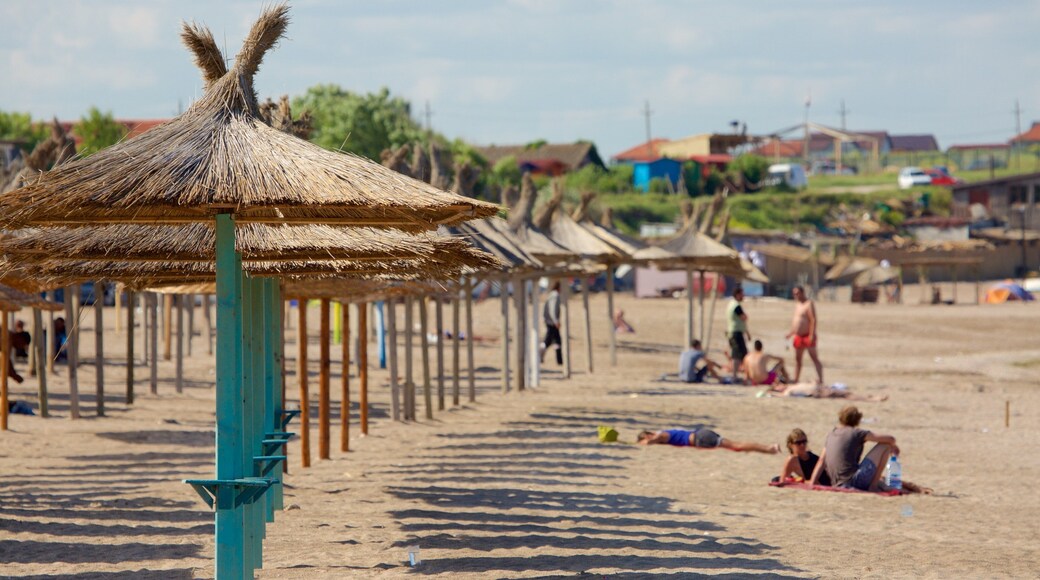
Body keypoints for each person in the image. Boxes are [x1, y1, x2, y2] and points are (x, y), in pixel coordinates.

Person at [811, 405, 897, 491]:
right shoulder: (857, 433)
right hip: (853, 481)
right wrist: (893, 446)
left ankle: (879, 484)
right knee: (885, 445)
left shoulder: (832, 434)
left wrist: (813, 482)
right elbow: (891, 439)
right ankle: (873, 485)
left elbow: (821, 461)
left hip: (836, 483)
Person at [637, 427, 779, 454]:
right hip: (701, 436)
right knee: (736, 447)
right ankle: (767, 449)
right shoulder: (663, 433)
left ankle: (769, 448)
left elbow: (655, 439)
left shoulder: (662, 434)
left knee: (737, 446)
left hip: (702, 438)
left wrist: (646, 442)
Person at [786, 285, 824, 385]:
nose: (796, 295)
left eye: (797, 293)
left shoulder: (809, 304)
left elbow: (813, 319)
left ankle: (821, 379)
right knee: (798, 359)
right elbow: (796, 321)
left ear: (802, 293)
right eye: (794, 294)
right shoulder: (797, 305)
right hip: (798, 336)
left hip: (807, 335)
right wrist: (791, 333)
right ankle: (796, 379)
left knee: (814, 358)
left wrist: (811, 335)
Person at [769, 381, 888, 402]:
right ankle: (872, 399)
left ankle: (868, 397)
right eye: (777, 386)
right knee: (846, 395)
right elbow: (782, 397)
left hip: (821, 388)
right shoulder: (787, 392)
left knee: (846, 393)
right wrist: (774, 394)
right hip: (818, 393)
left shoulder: (792, 386)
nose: (780, 385)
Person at [726, 286, 750, 384]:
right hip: (736, 332)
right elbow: (743, 318)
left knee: (738, 354)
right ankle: (737, 376)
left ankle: (737, 375)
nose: (743, 296)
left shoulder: (731, 304)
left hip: (733, 332)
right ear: (737, 295)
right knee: (739, 355)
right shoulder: (736, 306)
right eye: (742, 294)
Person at [539, 282, 562, 365]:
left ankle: (559, 360)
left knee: (557, 341)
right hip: (551, 322)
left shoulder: (553, 294)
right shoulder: (555, 295)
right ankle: (539, 353)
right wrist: (556, 321)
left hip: (551, 321)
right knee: (548, 341)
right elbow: (552, 310)